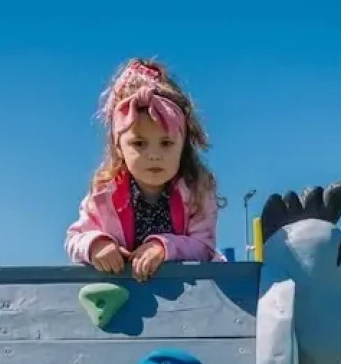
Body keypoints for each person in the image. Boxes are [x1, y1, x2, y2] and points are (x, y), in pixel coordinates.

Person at [65, 58, 224, 280]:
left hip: (189, 297)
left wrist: (163, 248)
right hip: (125, 298)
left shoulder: (197, 191)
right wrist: (96, 245)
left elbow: (204, 247)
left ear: (183, 145)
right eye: (139, 143)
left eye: (166, 143)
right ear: (118, 146)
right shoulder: (104, 194)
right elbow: (75, 238)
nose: (154, 154)